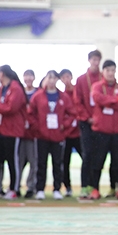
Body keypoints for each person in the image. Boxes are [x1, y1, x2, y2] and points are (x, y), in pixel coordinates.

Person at [29, 70, 75, 200]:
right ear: (46, 79)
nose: (52, 80)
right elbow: (30, 113)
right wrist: (37, 127)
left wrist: (64, 125)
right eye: (49, 78)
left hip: (58, 135)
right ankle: (40, 189)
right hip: (42, 135)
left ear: (57, 80)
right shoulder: (38, 96)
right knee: (41, 163)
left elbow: (72, 113)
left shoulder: (63, 97)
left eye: (54, 78)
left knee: (57, 163)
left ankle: (56, 189)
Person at [89, 60, 118, 200]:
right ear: (103, 72)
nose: (110, 73)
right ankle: (95, 188)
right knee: (98, 161)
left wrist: (109, 101)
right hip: (101, 130)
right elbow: (97, 98)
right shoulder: (97, 86)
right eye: (108, 70)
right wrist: (114, 100)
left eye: (113, 70)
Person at [0, 66, 27, 199]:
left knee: (12, 160)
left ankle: (13, 189)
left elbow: (10, 108)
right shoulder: (3, 88)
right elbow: (1, 109)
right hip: (0, 129)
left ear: (2, 74)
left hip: (12, 131)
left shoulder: (16, 88)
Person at [74, 50, 102, 197]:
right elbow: (77, 101)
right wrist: (87, 117)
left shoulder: (104, 78)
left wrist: (98, 117)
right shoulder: (81, 80)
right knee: (87, 154)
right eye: (93, 60)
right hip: (86, 122)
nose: (95, 62)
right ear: (89, 60)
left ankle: (95, 187)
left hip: (101, 123)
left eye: (98, 60)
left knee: (99, 155)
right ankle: (85, 186)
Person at [17, 69, 38, 198]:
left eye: (30, 76)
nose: (28, 79)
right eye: (26, 76)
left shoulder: (37, 93)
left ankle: (31, 186)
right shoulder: (20, 92)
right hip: (20, 133)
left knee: (33, 161)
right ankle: (16, 186)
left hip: (33, 133)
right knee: (18, 162)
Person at [59, 69, 81, 197]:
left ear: (71, 77)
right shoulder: (62, 95)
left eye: (68, 76)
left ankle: (88, 184)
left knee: (86, 158)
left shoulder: (77, 91)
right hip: (66, 134)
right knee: (64, 162)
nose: (66, 79)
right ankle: (67, 186)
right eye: (63, 78)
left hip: (78, 133)